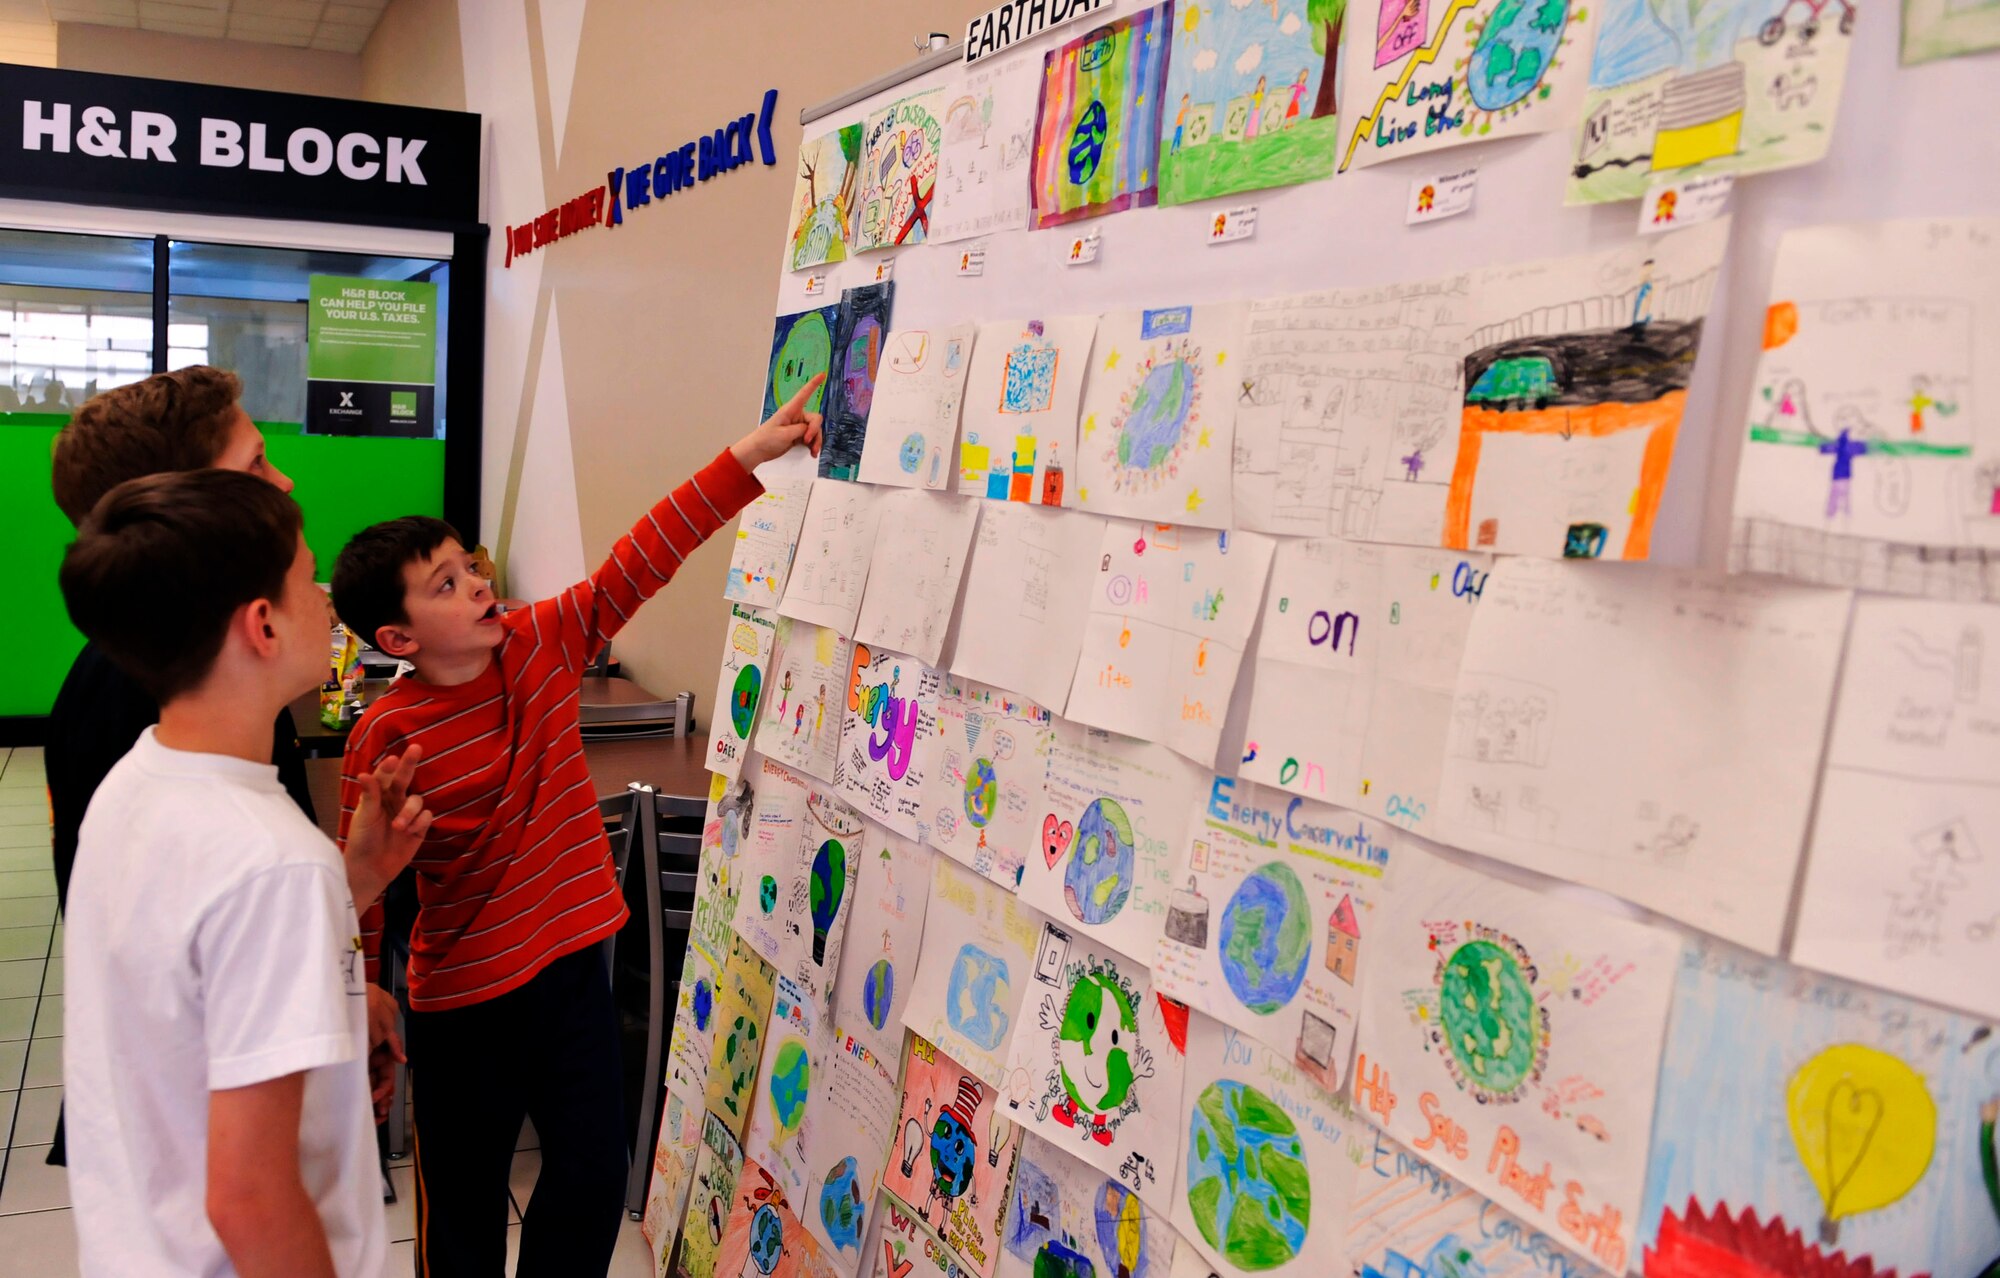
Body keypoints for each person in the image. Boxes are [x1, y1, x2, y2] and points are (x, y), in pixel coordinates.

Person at [328, 373, 826, 1277]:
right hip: (463, 1004)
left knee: (594, 1180)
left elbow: (642, 556)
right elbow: (357, 880)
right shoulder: (386, 736)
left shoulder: (541, 641)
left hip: (570, 979)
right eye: (447, 584)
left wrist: (750, 456)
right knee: (463, 1215)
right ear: (398, 639)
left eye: (471, 567)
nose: (478, 585)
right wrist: (360, 991)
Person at [57, 469, 435, 1278]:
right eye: (309, 579)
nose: (327, 603)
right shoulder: (275, 863)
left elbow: (193, 984)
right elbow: (250, 1199)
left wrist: (354, 886)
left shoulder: (135, 783)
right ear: (262, 624)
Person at [42, 365, 378, 1168]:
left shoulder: (193, 692)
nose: (284, 481)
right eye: (256, 463)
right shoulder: (138, 712)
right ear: (183, 508)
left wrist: (338, 977)